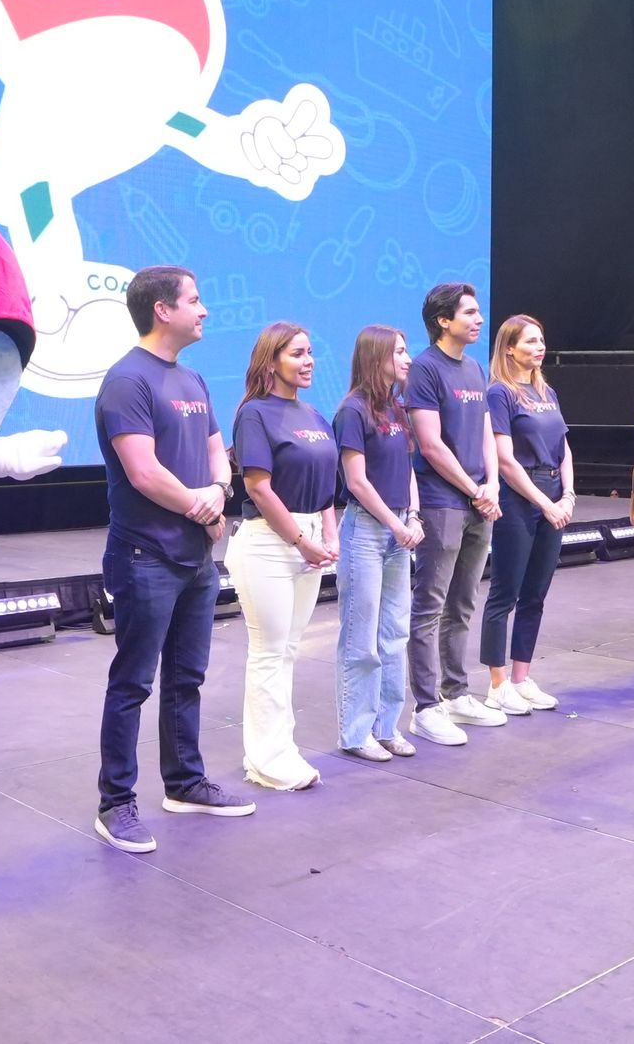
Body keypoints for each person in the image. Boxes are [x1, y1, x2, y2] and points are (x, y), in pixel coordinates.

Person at [93, 265, 255, 854]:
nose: (204, 309)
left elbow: (217, 454)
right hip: (146, 556)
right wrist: (202, 507)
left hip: (196, 558)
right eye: (195, 299)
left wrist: (219, 491)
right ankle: (116, 804)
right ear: (163, 310)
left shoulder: (193, 380)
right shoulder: (126, 380)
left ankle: (184, 782)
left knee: (187, 677)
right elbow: (143, 472)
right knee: (132, 682)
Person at [229, 321, 339, 790]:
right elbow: (258, 487)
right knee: (270, 653)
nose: (308, 361)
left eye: (310, 352)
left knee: (287, 651)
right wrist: (300, 539)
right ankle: (268, 760)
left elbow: (328, 487)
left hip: (308, 538)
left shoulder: (314, 415)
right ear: (271, 361)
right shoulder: (255, 414)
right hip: (269, 543)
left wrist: (329, 534)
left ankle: (279, 749)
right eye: (297, 353)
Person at [405, 282, 507, 746]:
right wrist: (474, 489)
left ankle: (456, 692)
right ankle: (426, 707)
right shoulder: (425, 369)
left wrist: (493, 484)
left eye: (478, 311)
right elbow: (429, 444)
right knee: (430, 604)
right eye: (469, 312)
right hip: (440, 501)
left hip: (479, 500)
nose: (478, 319)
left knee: (463, 602)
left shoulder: (474, 367)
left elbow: (486, 430)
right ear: (443, 320)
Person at [333, 325, 423, 761]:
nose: (407, 359)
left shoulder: (397, 408)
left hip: (399, 529)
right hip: (367, 531)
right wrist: (394, 523)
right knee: (361, 637)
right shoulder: (353, 411)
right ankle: (356, 732)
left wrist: (413, 516)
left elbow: (407, 470)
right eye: (399, 351)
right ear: (377, 356)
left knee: (394, 633)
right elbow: (357, 482)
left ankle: (387, 726)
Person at [477, 315, 570, 714]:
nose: (539, 347)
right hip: (519, 497)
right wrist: (544, 503)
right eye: (530, 341)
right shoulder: (500, 393)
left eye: (541, 340)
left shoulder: (546, 391)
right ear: (509, 348)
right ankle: (497, 684)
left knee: (536, 593)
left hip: (553, 491)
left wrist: (568, 494)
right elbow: (505, 459)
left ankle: (521, 677)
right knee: (506, 592)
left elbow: (564, 446)